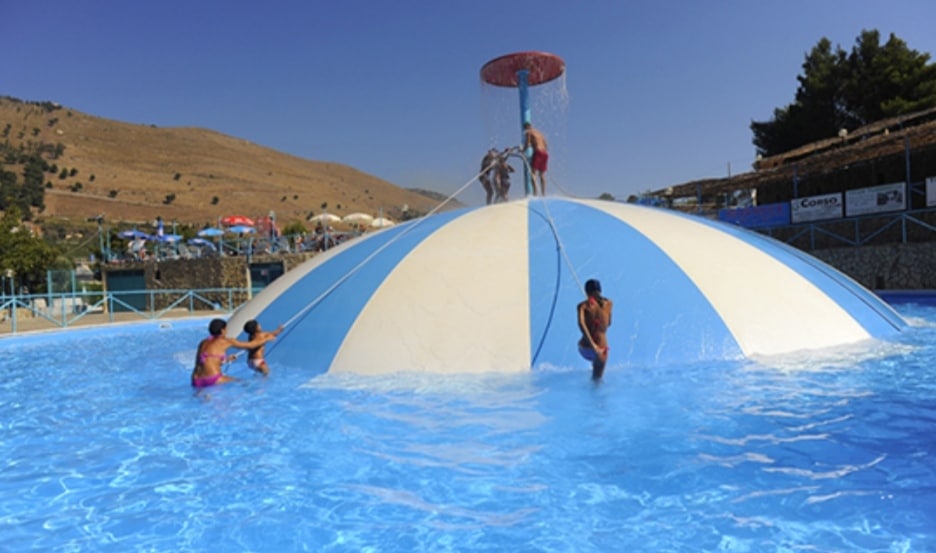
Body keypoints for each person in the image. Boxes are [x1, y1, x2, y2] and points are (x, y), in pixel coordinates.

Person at [191, 318, 274, 388]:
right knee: (242, 382)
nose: (226, 331)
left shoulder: (203, 342)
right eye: (226, 329)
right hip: (213, 379)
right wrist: (266, 338)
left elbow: (205, 360)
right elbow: (251, 345)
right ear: (222, 330)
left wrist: (226, 359)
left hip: (196, 380)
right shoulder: (226, 341)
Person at [577, 279, 613, 381]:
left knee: (595, 378)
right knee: (597, 381)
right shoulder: (609, 304)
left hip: (585, 348)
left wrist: (593, 345)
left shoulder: (583, 306)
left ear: (587, 292)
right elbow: (609, 323)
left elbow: (581, 324)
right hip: (598, 349)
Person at [523, 122, 549, 196]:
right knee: (542, 174)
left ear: (526, 128)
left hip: (537, 152)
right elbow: (546, 145)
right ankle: (543, 193)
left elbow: (527, 144)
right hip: (545, 153)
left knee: (533, 173)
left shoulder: (528, 132)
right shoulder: (539, 133)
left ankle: (535, 193)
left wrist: (523, 150)